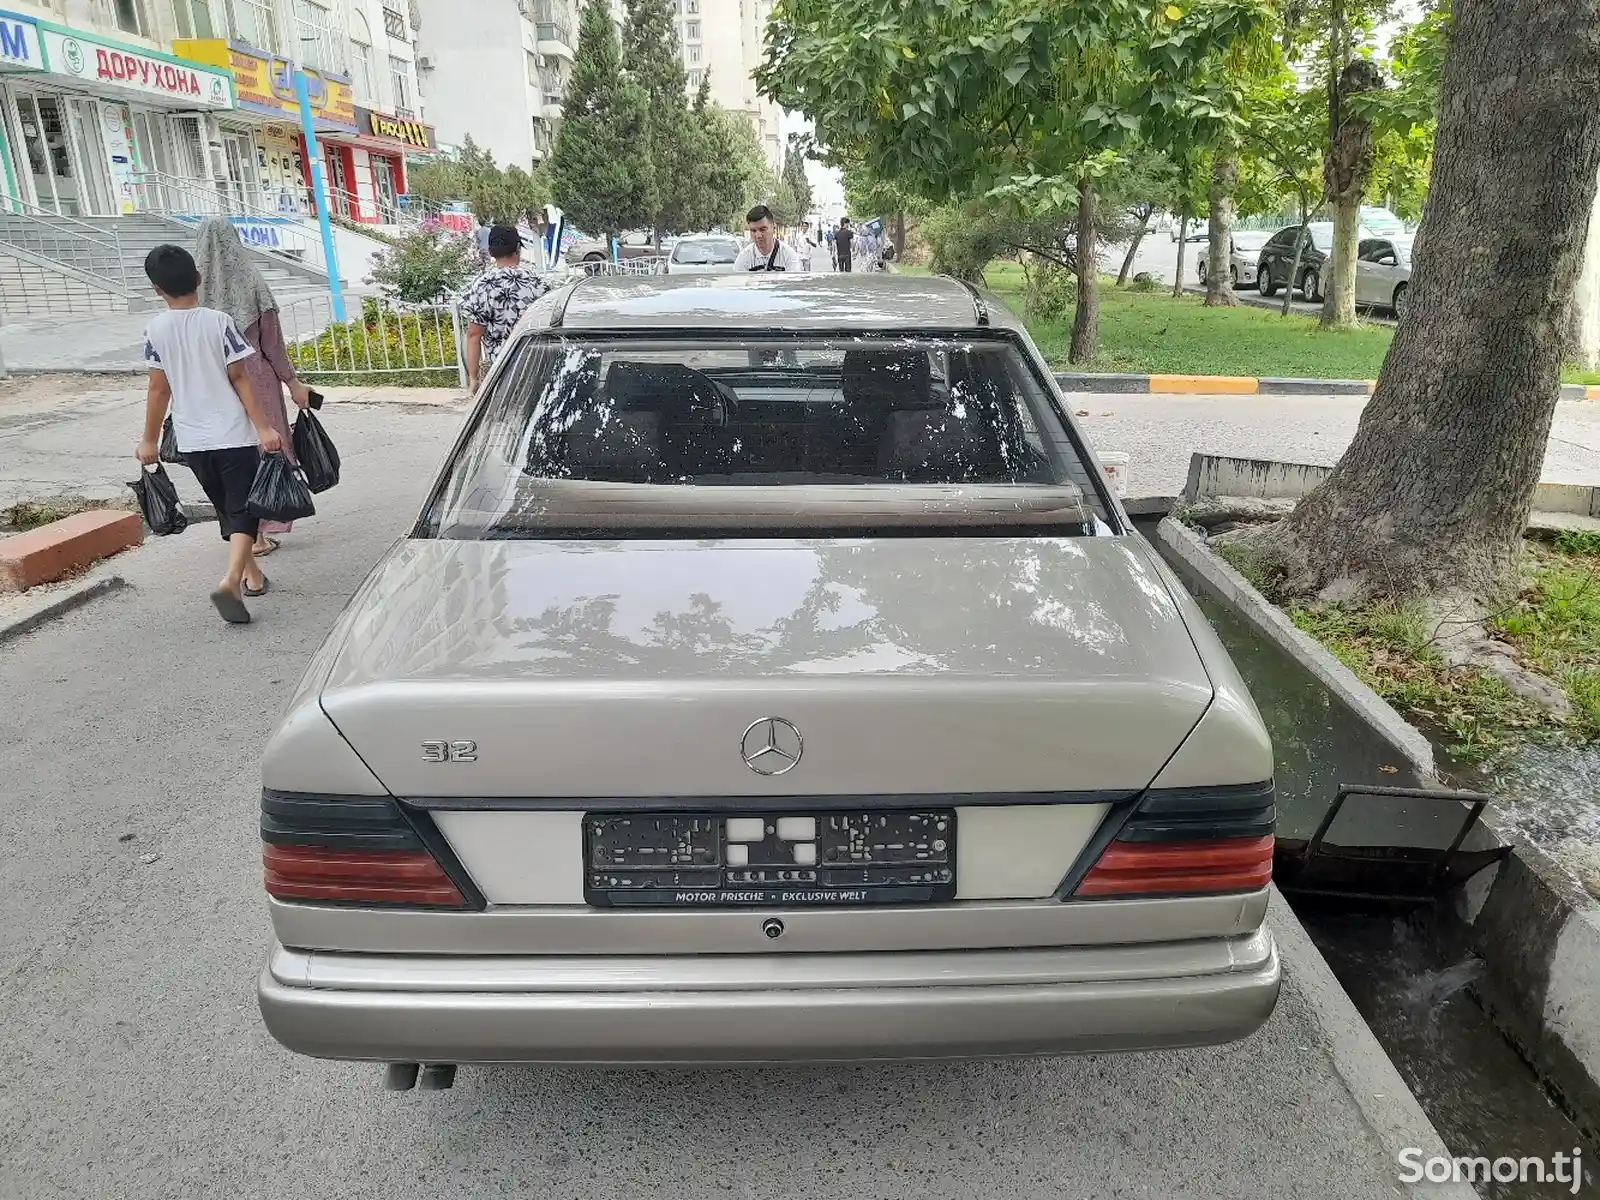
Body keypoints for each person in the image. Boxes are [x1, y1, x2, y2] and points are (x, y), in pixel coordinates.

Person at [135, 244, 281, 625]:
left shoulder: (155, 329)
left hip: (193, 438)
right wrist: (264, 427)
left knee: (226, 508)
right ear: (198, 279)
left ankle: (252, 576)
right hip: (232, 432)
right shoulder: (219, 322)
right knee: (244, 510)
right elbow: (239, 378)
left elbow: (158, 389)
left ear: (156, 289)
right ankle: (231, 581)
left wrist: (149, 440)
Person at [195, 217, 312, 557]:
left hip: (213, 384)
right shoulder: (253, 285)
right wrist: (292, 381)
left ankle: (243, 532)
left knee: (233, 456)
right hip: (256, 380)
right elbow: (272, 345)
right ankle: (260, 531)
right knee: (265, 448)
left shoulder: (192, 293)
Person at [459, 223, 551, 394]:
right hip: (536, 369)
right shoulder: (539, 284)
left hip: (500, 373)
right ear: (518, 248)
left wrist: (474, 378)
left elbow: (474, 334)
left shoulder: (482, 286)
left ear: (492, 252)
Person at [734, 205, 805, 272]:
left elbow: (793, 284)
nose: (758, 235)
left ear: (774, 228)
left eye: (763, 229)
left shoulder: (789, 256)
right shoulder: (743, 258)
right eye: (753, 231)